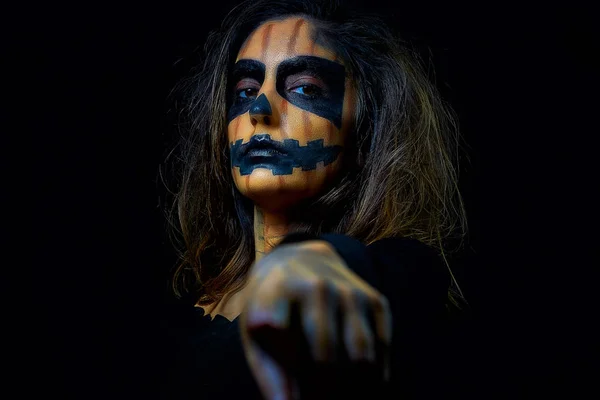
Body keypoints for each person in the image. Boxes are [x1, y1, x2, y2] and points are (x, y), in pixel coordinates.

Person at [159, 0, 470, 398]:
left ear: (365, 130)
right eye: (245, 90)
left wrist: (313, 262)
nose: (259, 109)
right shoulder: (179, 317)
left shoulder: (396, 273)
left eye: (304, 88)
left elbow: (399, 276)